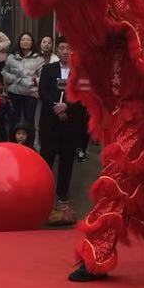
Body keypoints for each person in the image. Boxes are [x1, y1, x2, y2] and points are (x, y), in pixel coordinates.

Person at [37, 37, 89, 226]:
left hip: (71, 122)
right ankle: (42, 198)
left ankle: (62, 198)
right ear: (57, 51)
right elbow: (43, 91)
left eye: (69, 48)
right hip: (51, 122)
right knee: (46, 159)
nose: (66, 51)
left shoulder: (81, 72)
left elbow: (84, 95)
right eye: (62, 48)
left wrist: (66, 106)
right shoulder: (48, 69)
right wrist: (56, 107)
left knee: (67, 162)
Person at [4, 32, 45, 146]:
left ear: (32, 42)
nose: (25, 42)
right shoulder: (11, 57)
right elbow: (4, 73)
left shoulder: (39, 58)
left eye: (28, 40)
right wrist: (17, 80)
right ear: (19, 42)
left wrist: (27, 81)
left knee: (29, 122)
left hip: (30, 95)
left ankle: (29, 146)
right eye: (23, 40)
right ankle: (12, 145)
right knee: (13, 121)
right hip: (14, 93)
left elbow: (41, 77)